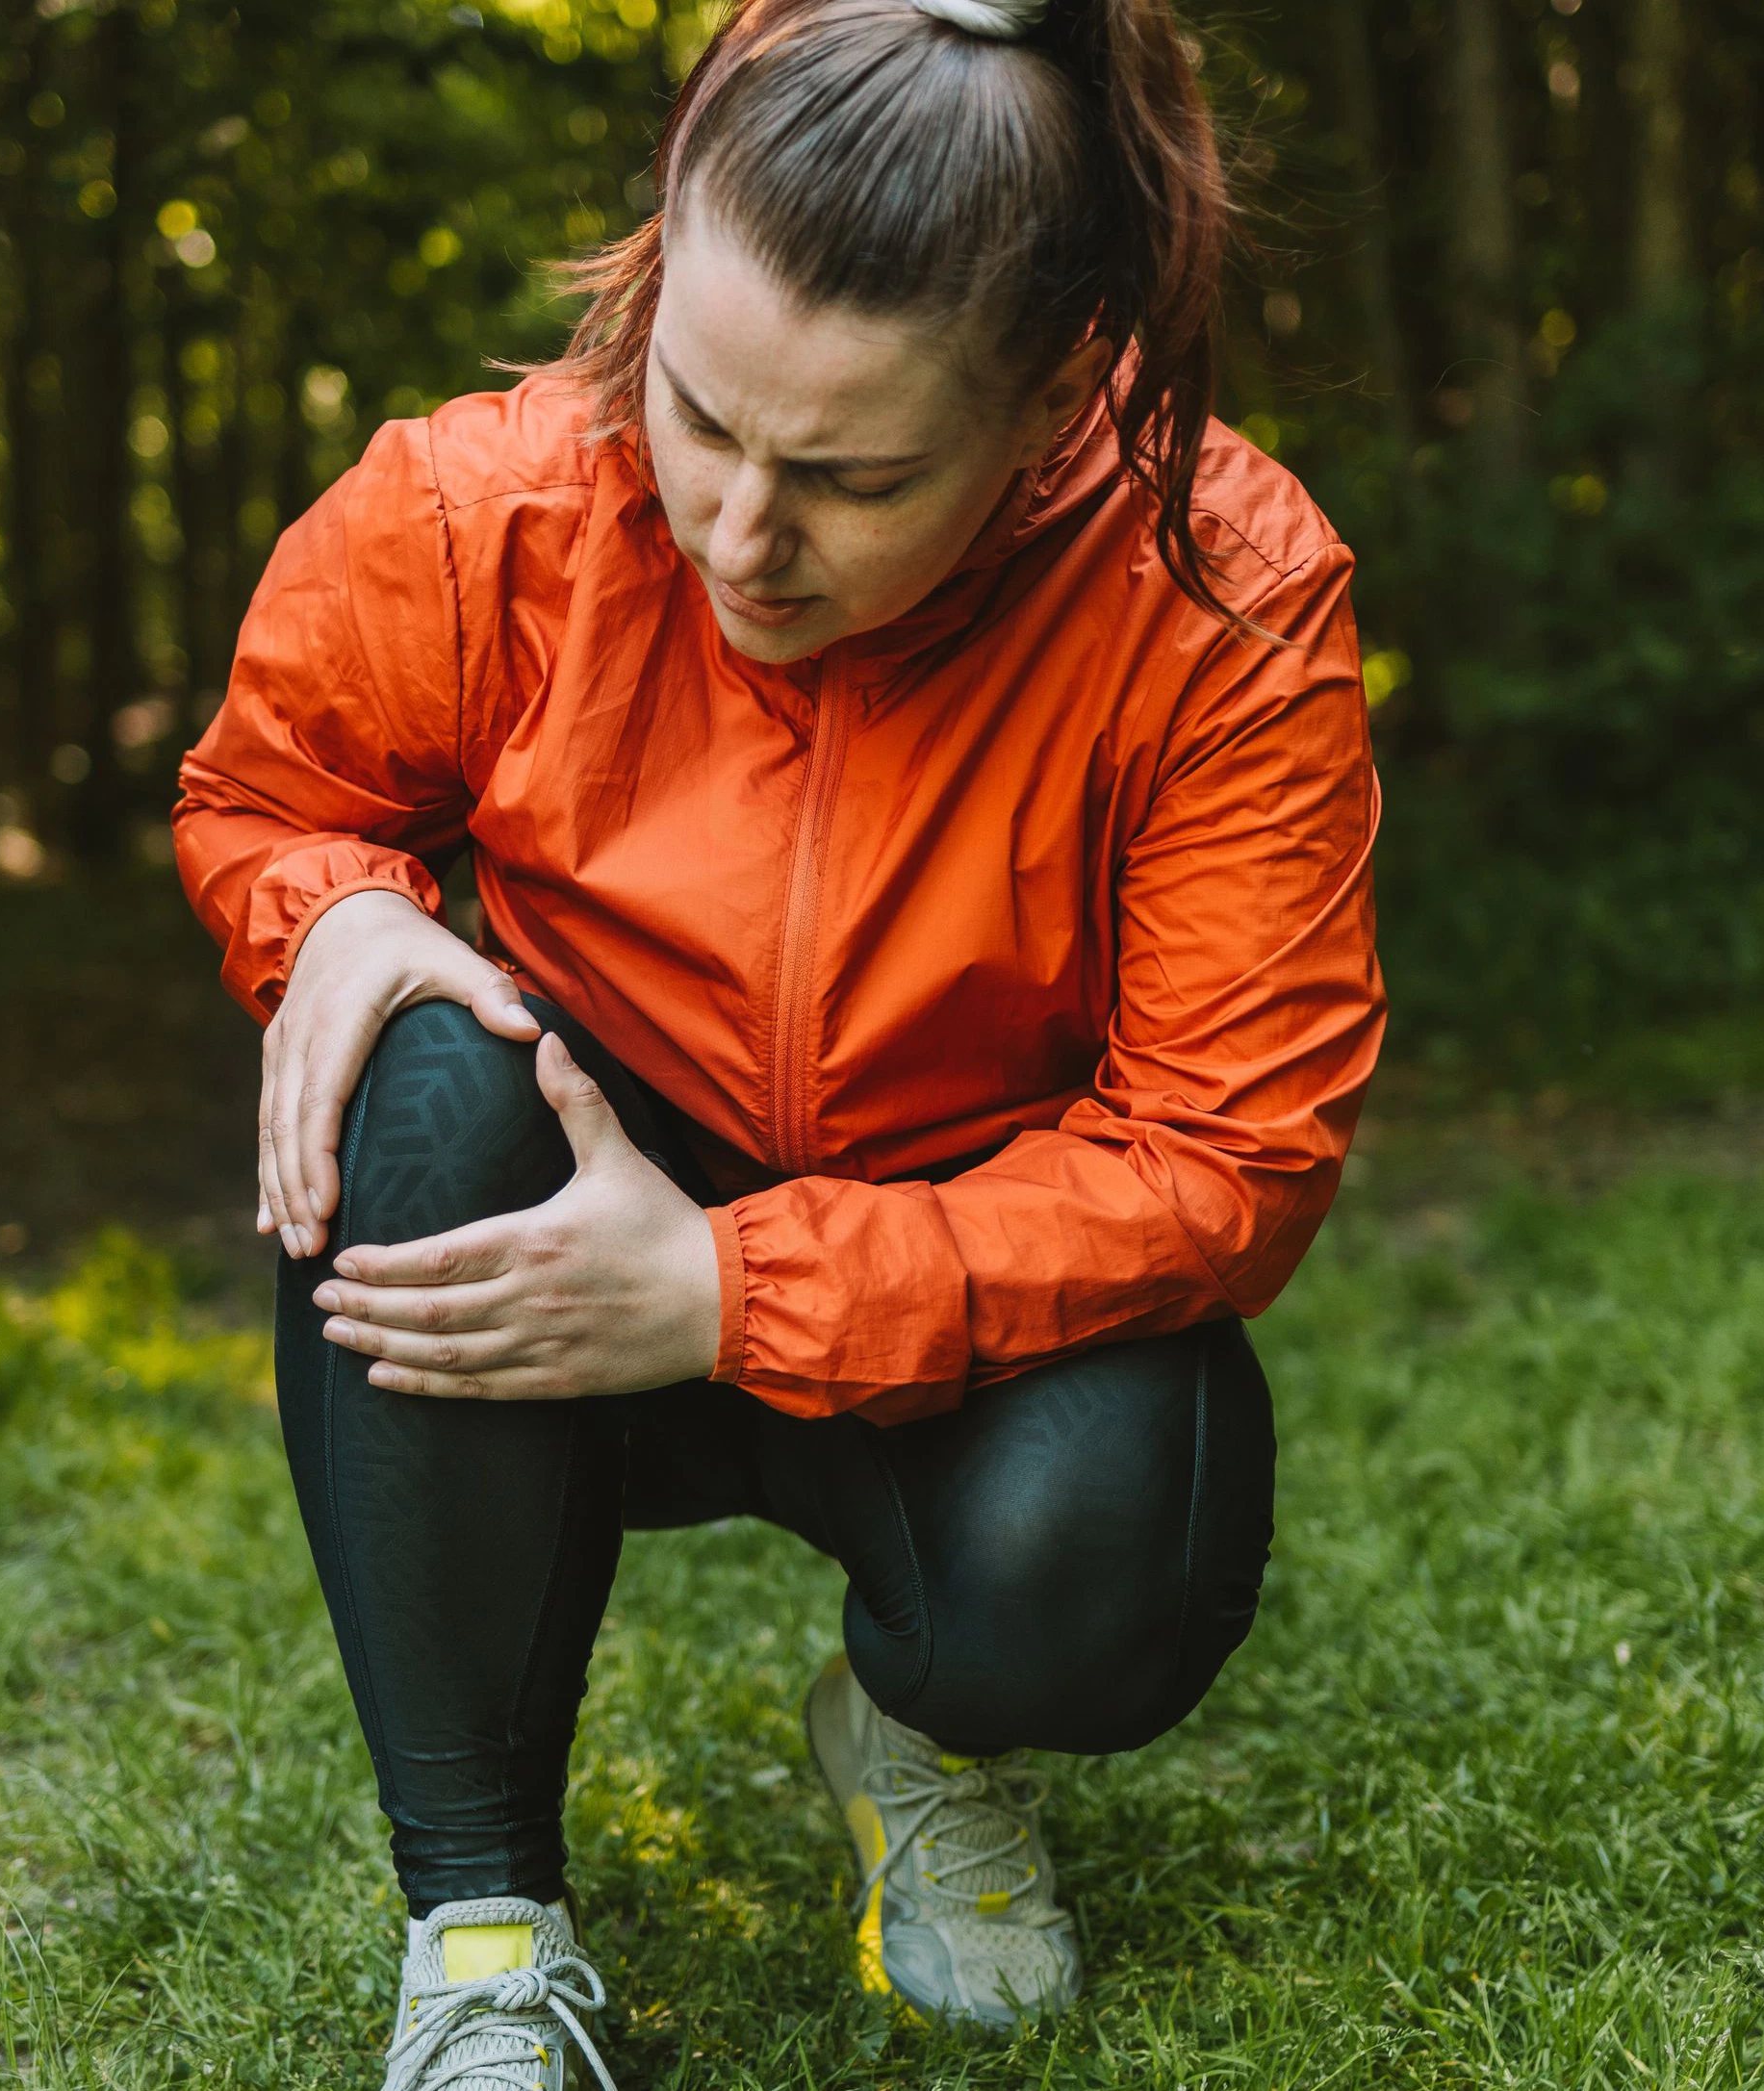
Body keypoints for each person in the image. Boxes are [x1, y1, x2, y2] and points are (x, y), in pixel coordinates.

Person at [171, 0, 1382, 2078]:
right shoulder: (483, 508)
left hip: (946, 1294)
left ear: (1061, 385)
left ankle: (919, 1736)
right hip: (562, 1228)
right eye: (702, 417)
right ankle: (480, 1922)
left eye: (852, 476)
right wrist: (341, 916)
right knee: (426, 1074)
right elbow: (270, 794)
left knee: (1129, 1523)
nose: (742, 532)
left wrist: (732, 1286)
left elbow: (1230, 1156)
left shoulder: (1226, 591)